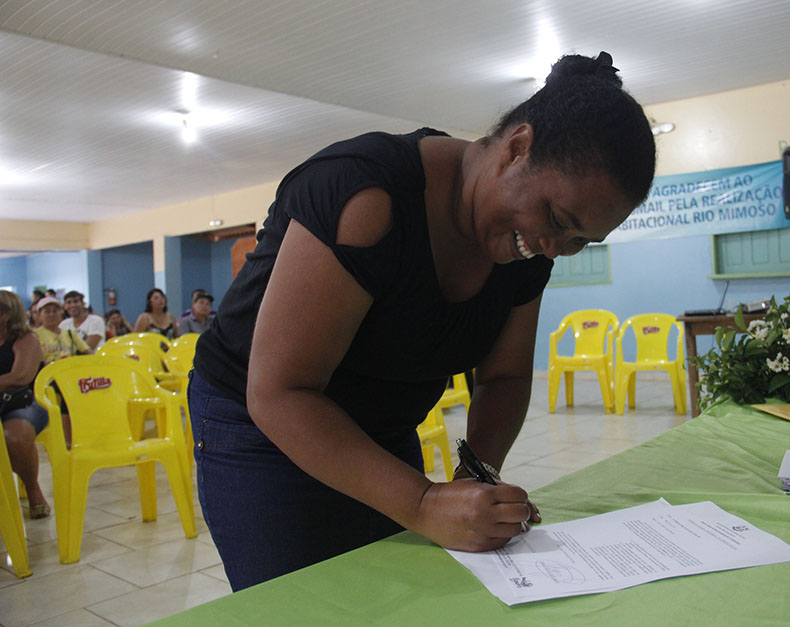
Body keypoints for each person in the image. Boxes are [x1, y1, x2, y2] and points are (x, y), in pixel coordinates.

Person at [189, 51, 656, 591]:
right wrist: (421, 500)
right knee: (305, 600)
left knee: (399, 594)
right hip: (259, 427)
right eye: (556, 219)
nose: (554, 247)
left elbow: (503, 378)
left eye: (581, 241)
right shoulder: (366, 195)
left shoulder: (530, 253)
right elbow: (279, 391)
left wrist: (472, 478)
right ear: (517, 148)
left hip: (381, 423)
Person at [0, 291, 51, 519]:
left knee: (15, 437)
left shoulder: (26, 340)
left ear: (7, 315)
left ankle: (32, 489)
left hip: (25, 401)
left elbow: (20, 377)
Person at [34, 297, 92, 362]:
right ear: (39, 314)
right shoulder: (35, 335)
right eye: (47, 311)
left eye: (55, 311)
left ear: (61, 313)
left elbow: (89, 353)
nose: (52, 314)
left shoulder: (70, 334)